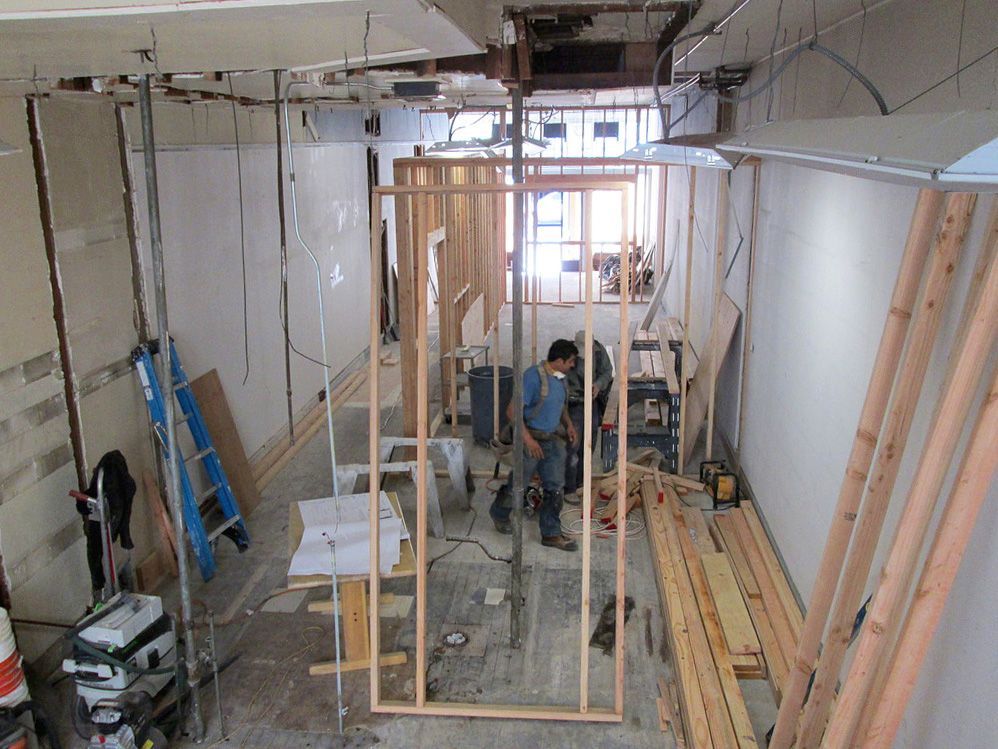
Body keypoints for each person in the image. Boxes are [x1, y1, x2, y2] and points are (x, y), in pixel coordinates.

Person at [489, 339, 580, 551]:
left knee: (555, 488)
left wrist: (568, 425)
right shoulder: (532, 378)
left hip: (553, 439)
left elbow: (560, 404)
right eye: (571, 362)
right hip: (530, 438)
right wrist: (528, 441)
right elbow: (512, 412)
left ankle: (551, 533)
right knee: (518, 485)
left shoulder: (560, 378)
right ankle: (499, 513)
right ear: (559, 361)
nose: (573, 366)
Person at [563, 330, 613, 502]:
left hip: (592, 402)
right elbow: (555, 375)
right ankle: (569, 488)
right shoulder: (566, 353)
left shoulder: (599, 352)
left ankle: (581, 483)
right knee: (573, 445)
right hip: (574, 403)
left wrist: (598, 385)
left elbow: (607, 371)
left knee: (589, 443)